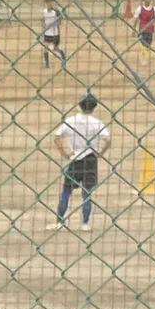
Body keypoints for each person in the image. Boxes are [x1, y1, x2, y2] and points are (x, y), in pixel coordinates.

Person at [53, 94, 111, 231]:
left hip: (75, 158)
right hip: (90, 158)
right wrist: (100, 153)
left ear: (79, 105)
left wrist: (65, 153)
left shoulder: (71, 121)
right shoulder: (97, 123)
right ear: (94, 107)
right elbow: (108, 140)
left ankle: (60, 221)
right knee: (87, 192)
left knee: (66, 190)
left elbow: (57, 137)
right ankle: (85, 223)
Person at [38, 0, 66, 71]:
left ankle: (63, 57)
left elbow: (60, 21)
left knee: (55, 48)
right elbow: (43, 20)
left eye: (50, 2)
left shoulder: (56, 11)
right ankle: (47, 64)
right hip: (47, 33)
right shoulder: (44, 11)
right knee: (45, 47)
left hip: (55, 33)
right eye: (47, 2)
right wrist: (43, 25)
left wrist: (54, 23)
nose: (48, 4)